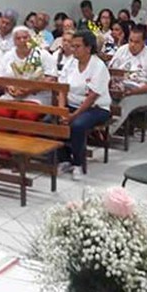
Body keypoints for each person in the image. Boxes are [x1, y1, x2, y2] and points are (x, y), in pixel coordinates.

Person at [58, 31, 111, 181]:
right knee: (51, 120)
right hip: (72, 105)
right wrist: (62, 112)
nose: (73, 49)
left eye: (77, 46)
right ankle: (64, 159)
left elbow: (92, 97)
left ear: (88, 48)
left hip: (97, 108)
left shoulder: (98, 66)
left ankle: (78, 164)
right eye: (72, 46)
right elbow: (62, 89)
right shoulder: (71, 63)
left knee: (78, 125)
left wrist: (73, 115)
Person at [108, 25, 147, 135]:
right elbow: (110, 70)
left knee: (126, 102)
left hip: (143, 91)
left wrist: (131, 92)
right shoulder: (122, 50)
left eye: (137, 42)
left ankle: (108, 132)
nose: (132, 45)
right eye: (130, 40)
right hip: (120, 86)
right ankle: (96, 129)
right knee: (103, 99)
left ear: (144, 42)